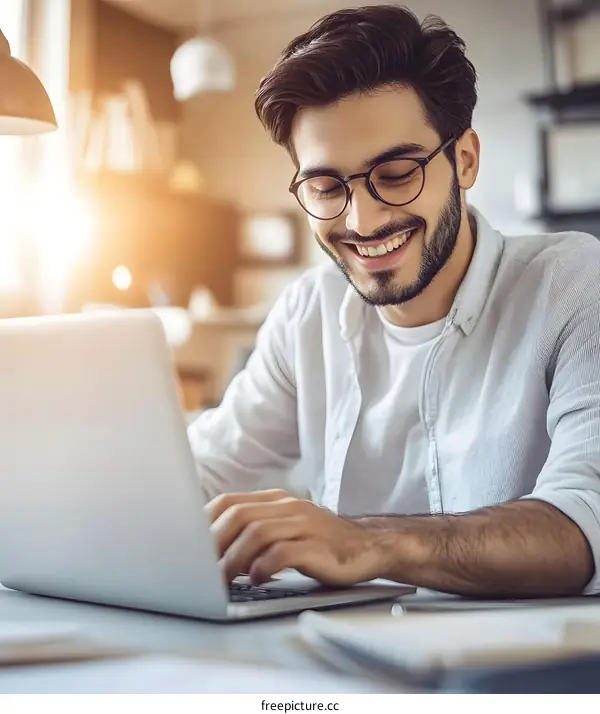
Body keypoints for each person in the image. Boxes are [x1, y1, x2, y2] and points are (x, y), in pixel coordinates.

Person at [188, 5, 600, 597]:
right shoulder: (310, 309)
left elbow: (584, 523)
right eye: (327, 186)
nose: (363, 219)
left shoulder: (573, 282)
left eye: (398, 172)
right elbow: (201, 474)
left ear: (465, 160)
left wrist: (364, 541)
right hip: (333, 665)